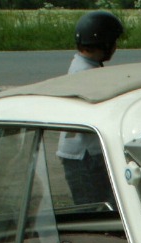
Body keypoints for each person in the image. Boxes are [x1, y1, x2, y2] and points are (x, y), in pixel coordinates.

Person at [57, 11, 124, 205]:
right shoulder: (86, 74)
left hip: (83, 153)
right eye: (113, 41)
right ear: (104, 43)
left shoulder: (83, 65)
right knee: (94, 206)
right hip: (84, 157)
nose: (115, 47)